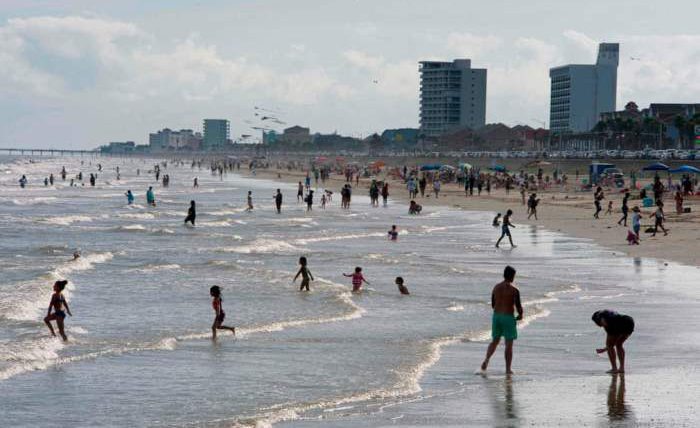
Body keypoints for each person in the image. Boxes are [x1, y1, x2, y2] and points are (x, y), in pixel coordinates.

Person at [481, 266, 523, 374]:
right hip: (508, 317)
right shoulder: (514, 290)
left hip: (497, 317)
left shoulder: (496, 287)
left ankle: (486, 360)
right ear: (512, 276)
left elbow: (493, 304)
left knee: (495, 341)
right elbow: (518, 306)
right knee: (508, 344)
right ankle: (508, 369)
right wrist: (520, 315)